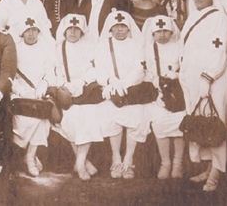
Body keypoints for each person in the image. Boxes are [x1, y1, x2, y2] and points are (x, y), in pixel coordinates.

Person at [179, 0, 227, 192]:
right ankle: (208, 165)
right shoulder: (193, 17)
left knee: (217, 119)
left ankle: (216, 171)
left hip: (216, 75)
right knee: (202, 121)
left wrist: (209, 76)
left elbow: (218, 50)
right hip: (195, 75)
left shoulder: (220, 18)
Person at [52, 14, 120, 181]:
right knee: (70, 119)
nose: (73, 32)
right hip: (66, 92)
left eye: (77, 29)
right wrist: (65, 85)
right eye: (70, 29)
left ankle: (80, 164)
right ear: (64, 30)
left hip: (86, 92)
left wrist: (81, 82)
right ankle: (83, 162)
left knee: (89, 117)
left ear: (82, 31)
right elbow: (55, 70)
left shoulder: (89, 47)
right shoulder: (58, 48)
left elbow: (94, 69)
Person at [95, 11, 151, 180]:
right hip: (111, 90)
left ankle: (129, 159)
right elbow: (99, 69)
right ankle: (116, 158)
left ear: (129, 28)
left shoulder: (136, 46)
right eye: (116, 26)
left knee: (136, 117)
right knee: (112, 116)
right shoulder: (103, 45)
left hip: (131, 91)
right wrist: (111, 81)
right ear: (110, 28)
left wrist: (124, 84)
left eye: (123, 26)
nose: (120, 30)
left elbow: (139, 70)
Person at [8, 15, 56, 177]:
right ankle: (31, 155)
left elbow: (51, 72)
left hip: (39, 94)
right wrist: (21, 91)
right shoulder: (14, 48)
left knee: (43, 116)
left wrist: (44, 84)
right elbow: (9, 74)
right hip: (19, 95)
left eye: (34, 30)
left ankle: (30, 156)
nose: (31, 34)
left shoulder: (44, 49)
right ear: (22, 32)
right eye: (27, 30)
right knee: (32, 118)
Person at [142, 15, 186, 179]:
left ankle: (178, 163)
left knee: (180, 123)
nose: (162, 35)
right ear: (152, 33)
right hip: (157, 94)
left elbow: (186, 67)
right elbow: (144, 70)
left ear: (171, 31)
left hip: (176, 92)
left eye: (165, 31)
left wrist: (175, 75)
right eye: (158, 31)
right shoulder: (148, 49)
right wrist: (153, 80)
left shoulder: (179, 47)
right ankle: (165, 162)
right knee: (159, 123)